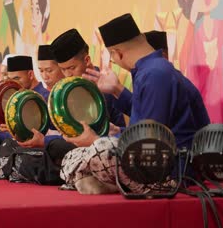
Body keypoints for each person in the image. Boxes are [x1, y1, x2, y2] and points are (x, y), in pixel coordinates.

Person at [60, 13, 210, 194]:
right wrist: (117, 92)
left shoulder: (155, 74)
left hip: (173, 169)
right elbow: (149, 122)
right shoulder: (152, 70)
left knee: (96, 150)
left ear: (118, 52)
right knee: (78, 155)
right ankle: (113, 182)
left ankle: (120, 183)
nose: (114, 61)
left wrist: (95, 140)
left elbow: (148, 143)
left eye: (112, 56)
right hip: (159, 156)